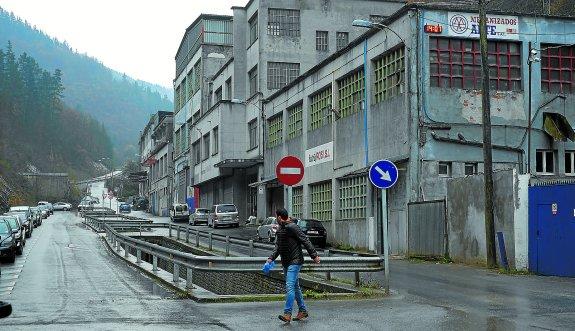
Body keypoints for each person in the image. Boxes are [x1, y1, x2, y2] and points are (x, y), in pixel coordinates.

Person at [267, 208, 320, 323]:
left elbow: (305, 240)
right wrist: (271, 258)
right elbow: (278, 247)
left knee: (290, 286)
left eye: (276, 217)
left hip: (295, 262)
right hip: (286, 262)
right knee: (295, 287)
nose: (276, 219)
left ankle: (287, 313)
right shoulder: (281, 229)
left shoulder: (293, 227)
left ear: (280, 217)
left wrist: (314, 255)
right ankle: (302, 310)